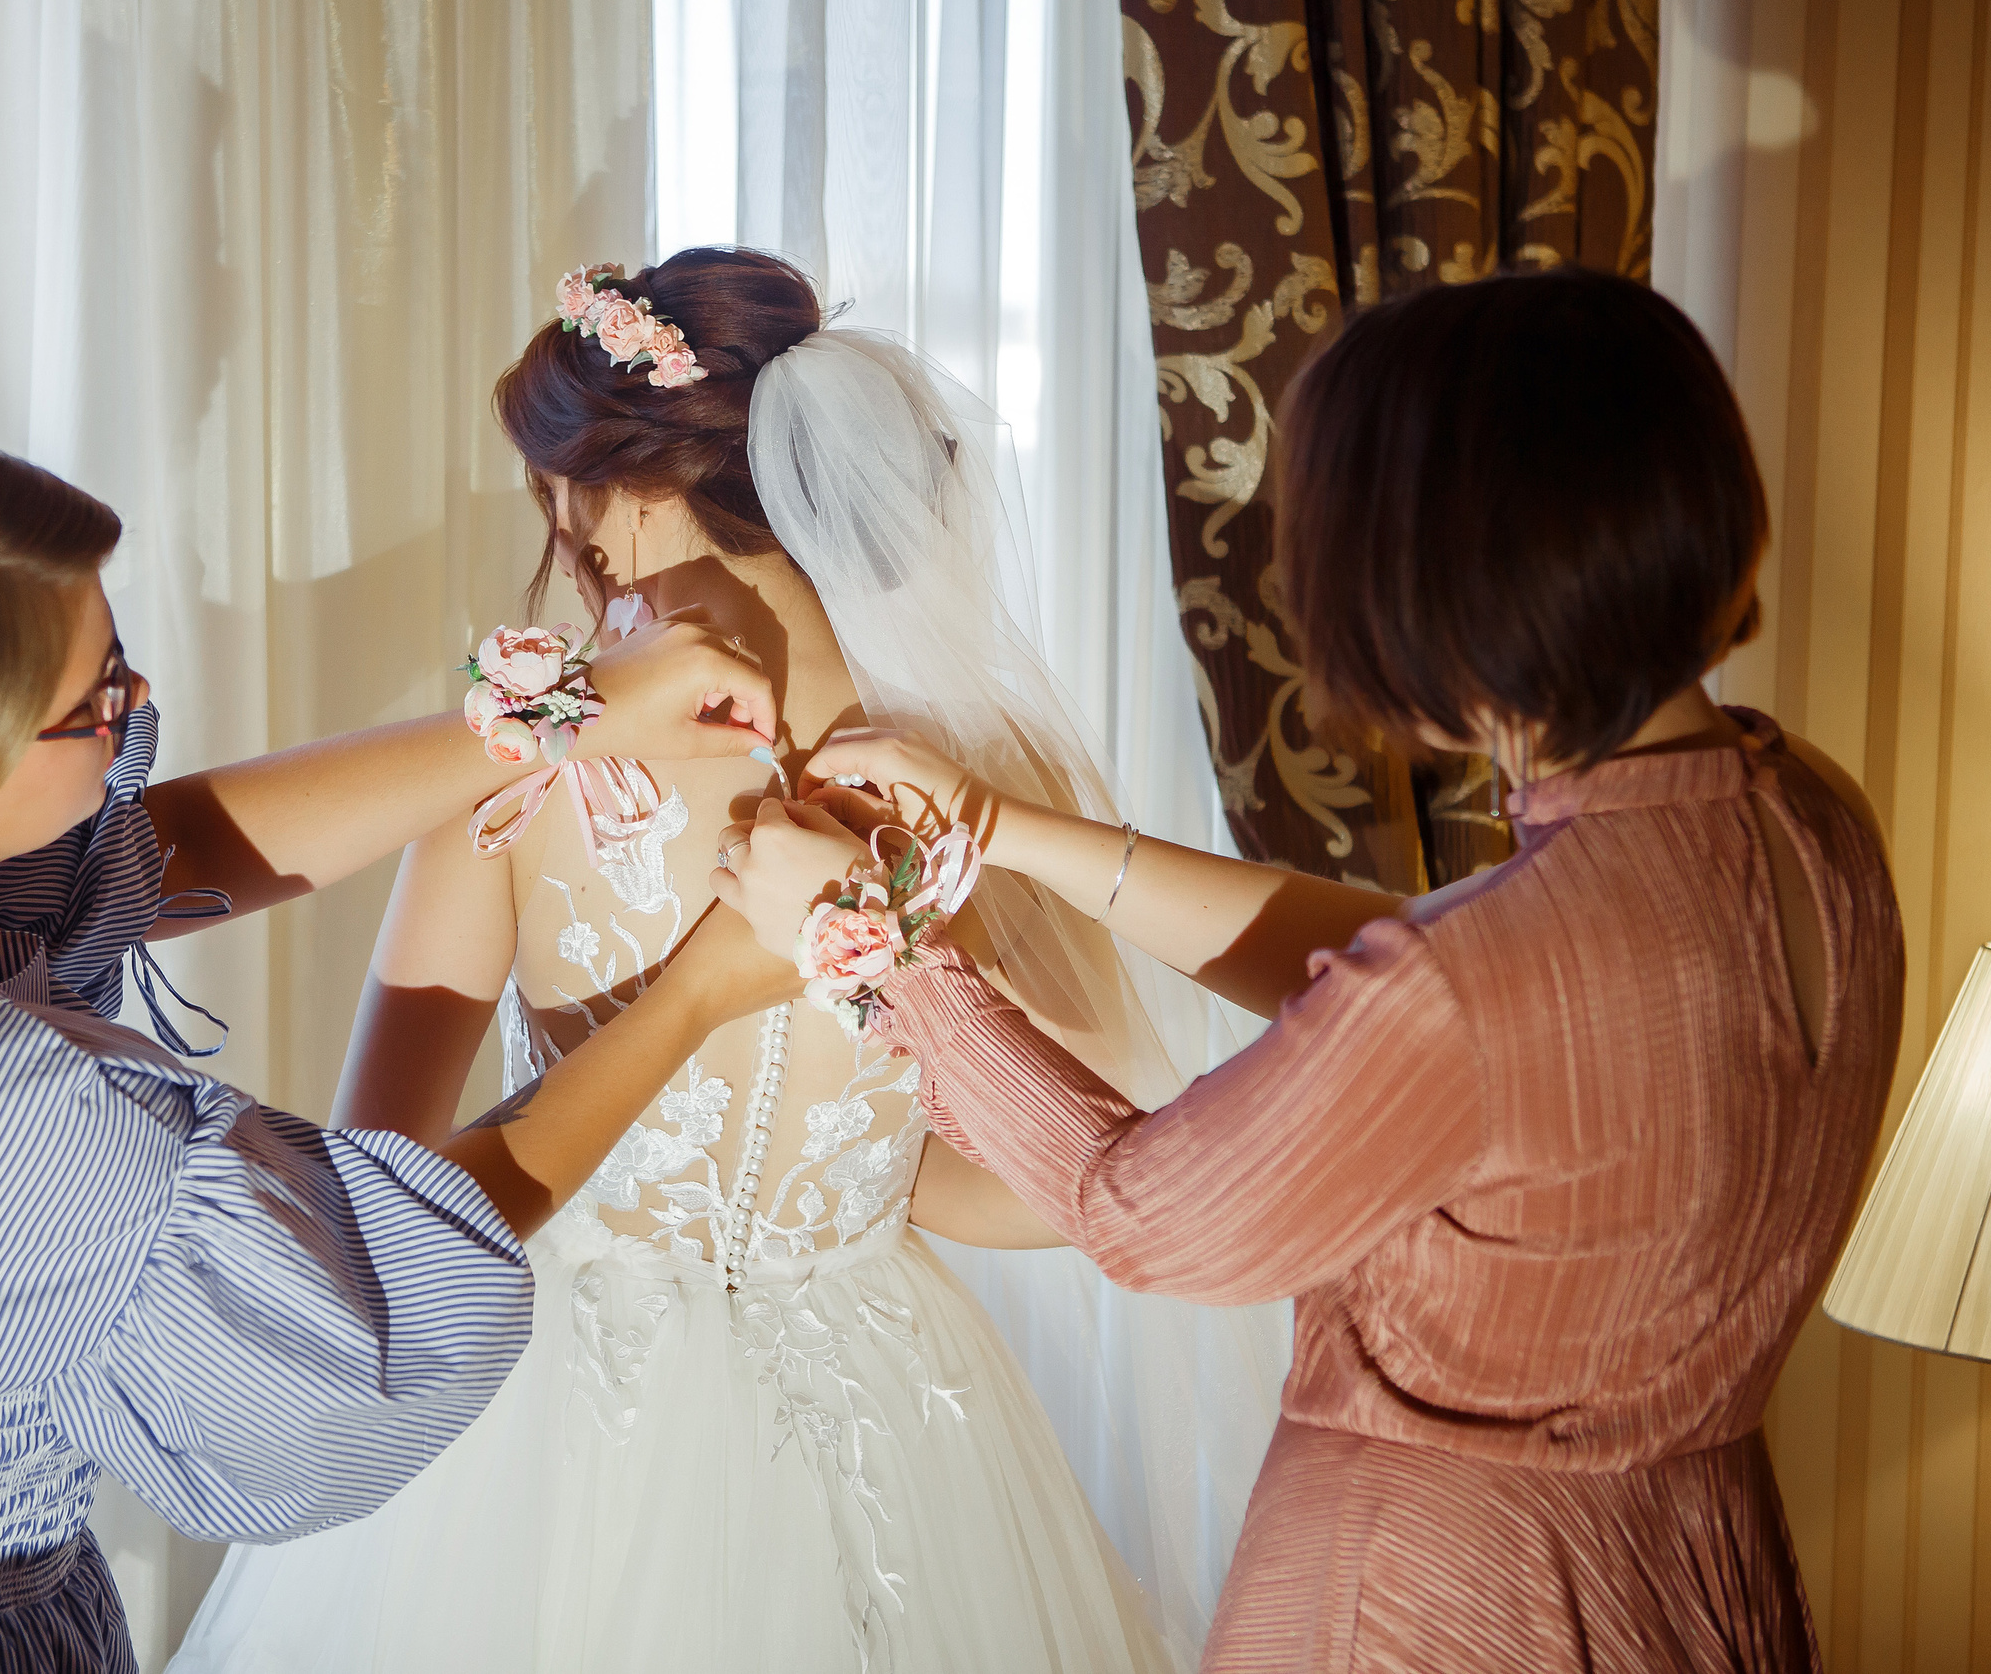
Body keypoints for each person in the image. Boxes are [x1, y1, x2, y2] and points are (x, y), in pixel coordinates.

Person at [707, 268, 1903, 1671]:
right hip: (1688, 1567)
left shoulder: (1467, 993)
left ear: (1424, 580)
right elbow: (1426, 958)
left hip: (1431, 1600)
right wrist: (1007, 831)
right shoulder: (1809, 819)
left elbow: (1140, 1211)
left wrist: (874, 949)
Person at [0, 431, 783, 1673]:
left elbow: (150, 860)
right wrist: (697, 988)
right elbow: (382, 1286)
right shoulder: (17, 1140)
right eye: (94, 700)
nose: (138, 702)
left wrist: (564, 719)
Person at [166, 249, 1266, 1673]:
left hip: (542, 1421)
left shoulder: (526, 766)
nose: (561, 534)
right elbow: (1086, 1179)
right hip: (897, 1398)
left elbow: (389, 1179)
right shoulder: (982, 772)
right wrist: (853, 1179)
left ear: (623, 491)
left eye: (557, 487)